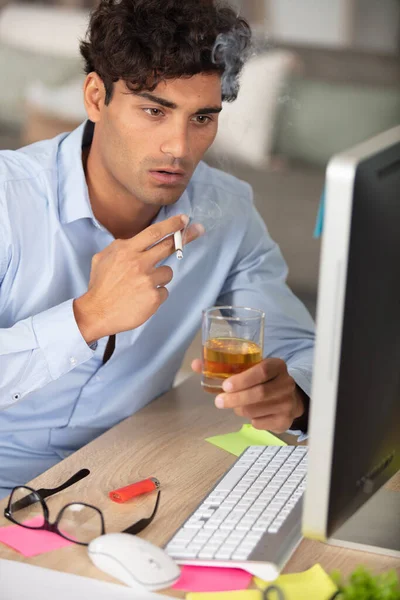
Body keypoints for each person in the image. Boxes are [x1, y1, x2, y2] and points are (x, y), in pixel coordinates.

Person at [0, 0, 315, 499]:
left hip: (126, 475)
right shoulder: (6, 198)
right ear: (95, 97)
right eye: (154, 110)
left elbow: (300, 348)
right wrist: (86, 318)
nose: (179, 147)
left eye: (202, 118)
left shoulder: (226, 211)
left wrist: (296, 394)